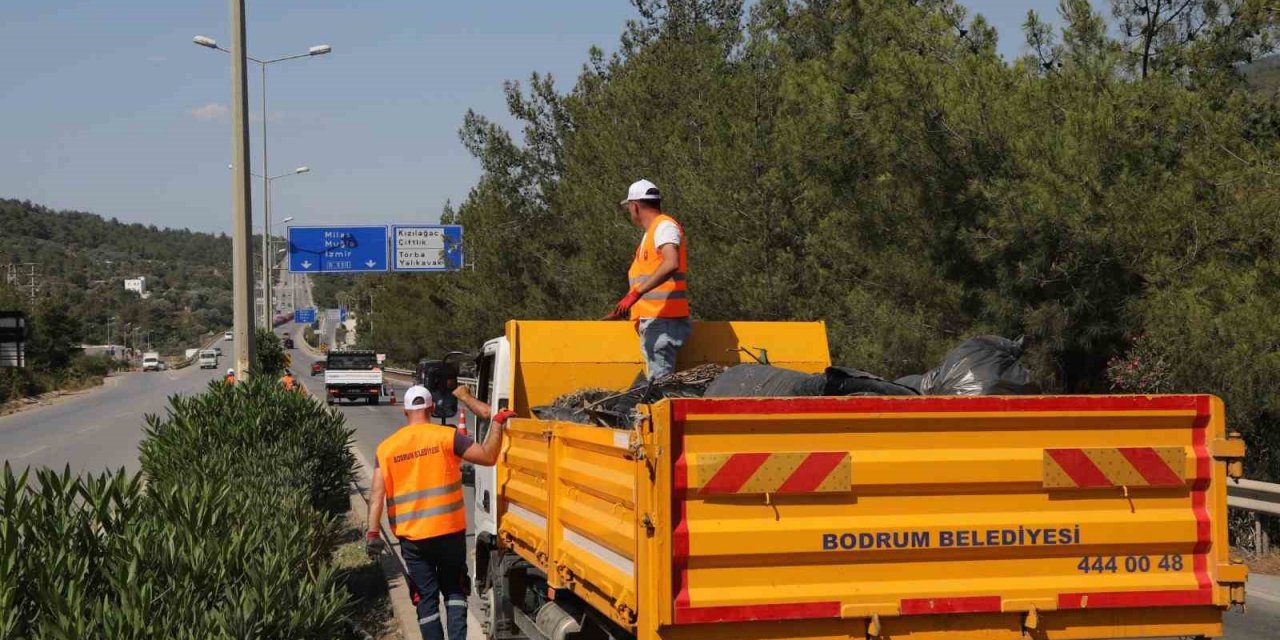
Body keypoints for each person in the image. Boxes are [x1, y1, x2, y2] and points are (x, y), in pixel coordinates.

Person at [365, 385, 515, 640]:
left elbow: (377, 495)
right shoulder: (447, 436)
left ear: (405, 411)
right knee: (455, 591)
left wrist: (373, 533)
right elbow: (489, 456)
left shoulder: (387, 448)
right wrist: (498, 422)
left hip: (413, 540)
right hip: (449, 534)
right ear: (432, 408)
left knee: (426, 599)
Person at [608, 179, 692, 379]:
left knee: (659, 388)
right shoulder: (653, 232)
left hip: (663, 322)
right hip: (656, 321)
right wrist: (627, 306)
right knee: (655, 387)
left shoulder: (664, 227)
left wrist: (636, 293)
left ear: (635, 206)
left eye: (629, 207)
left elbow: (671, 263)